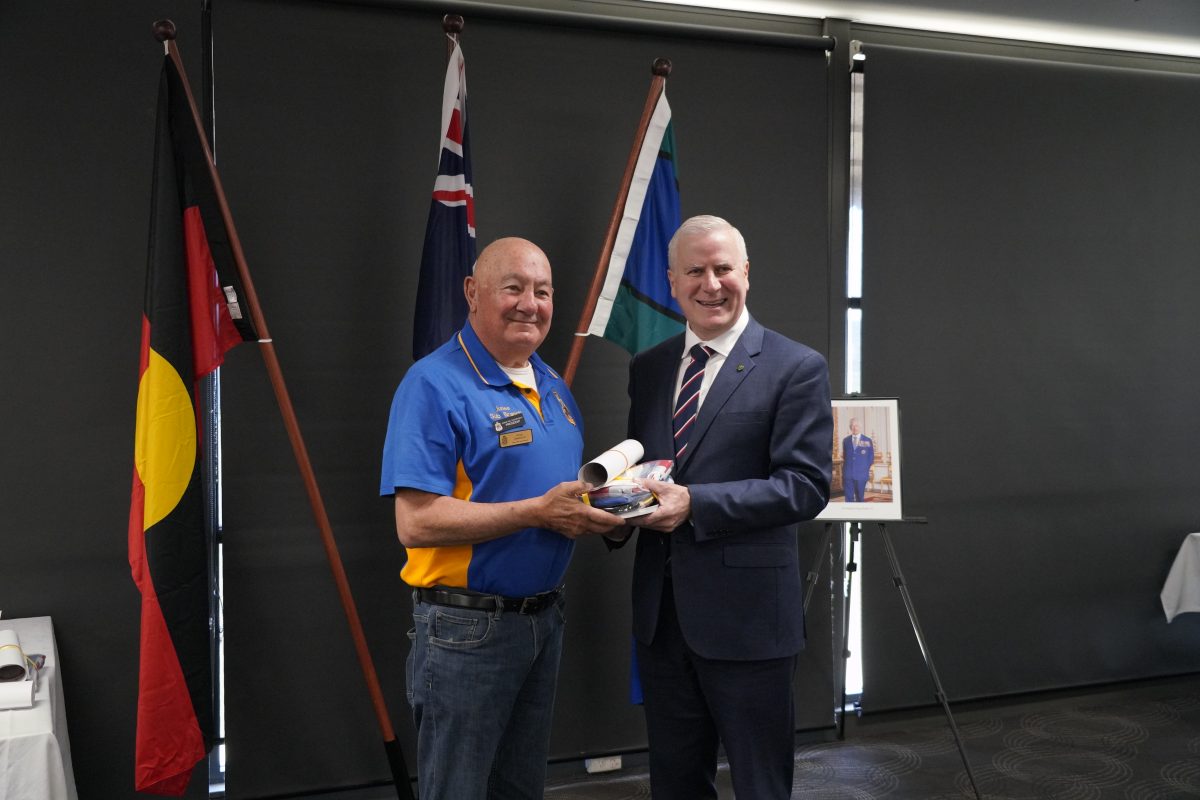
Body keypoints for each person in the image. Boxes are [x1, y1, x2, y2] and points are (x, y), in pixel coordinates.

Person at [380, 237, 620, 800]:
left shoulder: (553, 386)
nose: (528, 304)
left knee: (519, 790)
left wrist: (613, 507)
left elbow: (557, 494)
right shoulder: (432, 385)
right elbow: (415, 523)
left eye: (542, 291)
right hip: (467, 633)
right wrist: (538, 513)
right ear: (472, 292)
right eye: (512, 287)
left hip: (542, 623)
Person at [616, 215, 833, 800]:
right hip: (663, 621)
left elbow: (806, 486)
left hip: (749, 622)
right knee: (676, 785)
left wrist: (695, 505)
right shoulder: (651, 367)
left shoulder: (796, 367)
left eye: (722, 269)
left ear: (746, 274)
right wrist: (611, 509)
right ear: (671, 282)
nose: (710, 284)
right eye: (695, 271)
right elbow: (648, 467)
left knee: (761, 785)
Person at [842, 417, 875, 502]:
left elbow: (870, 457)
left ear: (860, 427)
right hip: (848, 474)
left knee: (860, 498)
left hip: (861, 474)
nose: (854, 427)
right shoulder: (846, 440)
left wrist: (863, 469)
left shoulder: (867, 440)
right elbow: (845, 456)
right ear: (850, 427)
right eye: (852, 426)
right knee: (848, 499)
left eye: (856, 426)